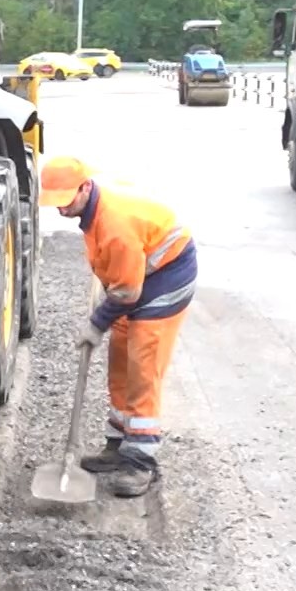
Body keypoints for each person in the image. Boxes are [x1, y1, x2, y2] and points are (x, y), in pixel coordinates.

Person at [38, 156, 197, 498]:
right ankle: (118, 443)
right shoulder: (93, 214)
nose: (60, 209)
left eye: (65, 200)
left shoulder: (115, 225)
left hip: (167, 278)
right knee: (119, 358)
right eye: (55, 201)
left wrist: (96, 324)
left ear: (85, 188)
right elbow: (117, 279)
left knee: (142, 366)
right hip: (138, 276)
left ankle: (141, 460)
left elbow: (128, 291)